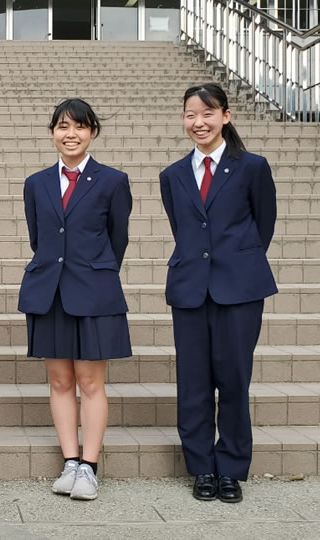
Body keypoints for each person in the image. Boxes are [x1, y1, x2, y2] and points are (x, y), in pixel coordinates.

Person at [160, 83, 277, 503]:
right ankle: (201, 468)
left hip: (240, 288)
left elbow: (263, 225)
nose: (198, 122)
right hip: (190, 288)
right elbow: (184, 229)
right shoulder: (172, 175)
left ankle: (230, 468)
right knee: (192, 383)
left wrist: (235, 264)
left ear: (226, 116)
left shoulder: (252, 167)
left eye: (207, 113)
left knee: (233, 380)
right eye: (190, 114)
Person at [18, 99, 132, 501]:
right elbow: (39, 239)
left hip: (94, 292)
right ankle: (69, 462)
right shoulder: (37, 183)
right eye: (63, 127)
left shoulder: (112, 180)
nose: (71, 134)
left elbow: (117, 240)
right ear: (52, 132)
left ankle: (90, 467)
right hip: (49, 292)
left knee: (90, 381)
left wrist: (93, 273)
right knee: (60, 380)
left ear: (93, 133)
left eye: (80, 127)